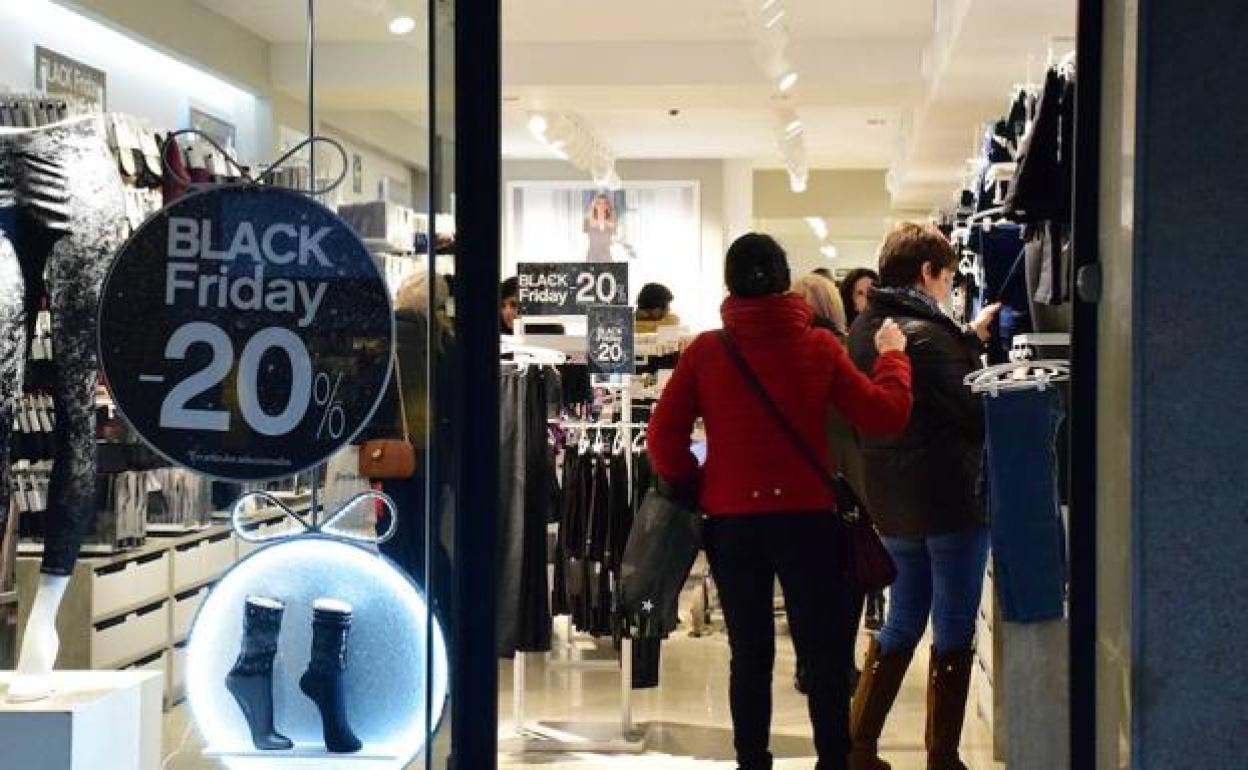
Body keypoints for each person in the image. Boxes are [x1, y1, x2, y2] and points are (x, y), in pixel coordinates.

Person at [648, 233, 914, 770]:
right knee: (822, 652)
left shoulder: (707, 351)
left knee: (749, 655)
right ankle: (832, 760)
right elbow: (885, 414)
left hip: (733, 523)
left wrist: (699, 483)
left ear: (729, 284)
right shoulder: (818, 346)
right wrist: (893, 359)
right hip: (807, 518)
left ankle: (753, 761)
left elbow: (662, 437)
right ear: (783, 281)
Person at [845, 223, 1000, 770]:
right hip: (949, 500)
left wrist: (967, 340)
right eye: (947, 276)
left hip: (893, 501)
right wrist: (970, 350)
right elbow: (973, 410)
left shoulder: (865, 330)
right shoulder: (929, 335)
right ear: (927, 272)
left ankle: (859, 744)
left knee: (903, 617)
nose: (948, 287)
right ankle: (942, 756)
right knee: (954, 626)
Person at [791, 272, 869, 690]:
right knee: (847, 575)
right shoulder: (842, 353)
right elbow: (870, 416)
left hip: (794, 483)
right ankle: (839, 662)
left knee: (803, 580)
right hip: (844, 479)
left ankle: (808, 662)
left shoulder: (778, 357)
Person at [584, 193, 618, 262]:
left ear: (607, 206)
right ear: (595, 205)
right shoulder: (587, 220)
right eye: (599, 203)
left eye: (604, 203)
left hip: (607, 256)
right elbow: (585, 235)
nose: (602, 205)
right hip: (592, 256)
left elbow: (615, 237)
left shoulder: (612, 222)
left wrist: (606, 222)